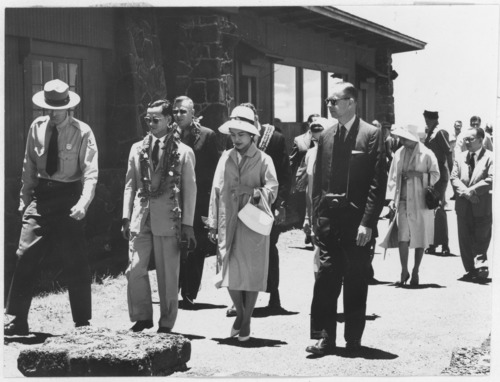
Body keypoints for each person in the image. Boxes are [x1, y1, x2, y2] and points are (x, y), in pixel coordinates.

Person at [4, 79, 98, 335]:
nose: (53, 112)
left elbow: (91, 173)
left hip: (70, 198)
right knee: (25, 254)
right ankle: (17, 319)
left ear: (68, 107)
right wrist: (24, 200)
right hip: (42, 197)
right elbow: (29, 167)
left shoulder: (82, 132)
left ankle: (82, 323)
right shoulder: (36, 127)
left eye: (57, 108)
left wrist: (83, 202)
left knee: (75, 259)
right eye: (49, 107)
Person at [306, 82, 386, 355]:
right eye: (328, 100)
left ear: (351, 102)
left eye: (334, 100)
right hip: (330, 221)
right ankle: (323, 337)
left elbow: (377, 184)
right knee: (326, 276)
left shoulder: (372, 135)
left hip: (357, 224)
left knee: (355, 278)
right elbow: (318, 182)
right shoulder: (326, 136)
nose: (329, 104)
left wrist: (368, 222)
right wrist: (316, 218)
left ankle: (353, 338)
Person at [122, 99, 197, 333]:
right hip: (141, 216)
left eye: (156, 119)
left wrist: (187, 225)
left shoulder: (183, 152)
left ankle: (166, 323)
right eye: (148, 119)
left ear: (168, 120)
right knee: (134, 268)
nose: (151, 123)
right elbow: (129, 185)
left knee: (167, 273)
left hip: (168, 218)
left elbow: (190, 190)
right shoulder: (137, 148)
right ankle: (142, 316)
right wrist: (125, 216)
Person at [207, 105, 278, 341]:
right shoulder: (224, 158)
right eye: (233, 134)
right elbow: (216, 191)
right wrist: (213, 223)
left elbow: (273, 189)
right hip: (228, 221)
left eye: (241, 135)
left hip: (252, 222)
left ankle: (246, 319)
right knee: (229, 272)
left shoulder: (263, 159)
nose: (236, 139)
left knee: (252, 272)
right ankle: (240, 311)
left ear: (252, 135)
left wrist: (252, 191)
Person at [225, 103, 290, 314]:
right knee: (238, 252)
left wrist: (280, 204)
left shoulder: (275, 138)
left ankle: (274, 296)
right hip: (237, 207)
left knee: (269, 250)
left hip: (265, 207)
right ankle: (240, 300)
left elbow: (284, 175)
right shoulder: (233, 145)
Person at [380, 125, 440, 286]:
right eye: (401, 138)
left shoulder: (427, 153)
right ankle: (404, 269)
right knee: (402, 237)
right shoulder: (399, 153)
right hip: (402, 200)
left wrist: (419, 175)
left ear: (412, 137)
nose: (402, 141)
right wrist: (391, 200)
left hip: (420, 201)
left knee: (420, 237)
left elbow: (436, 175)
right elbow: (392, 178)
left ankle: (416, 270)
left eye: (405, 138)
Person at [174, 96, 219, 309]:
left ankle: (189, 292)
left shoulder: (207, 136)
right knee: (173, 244)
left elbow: (215, 170)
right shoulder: (168, 136)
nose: (178, 115)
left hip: (200, 199)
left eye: (183, 111)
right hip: (174, 198)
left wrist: (212, 203)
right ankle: (173, 287)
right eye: (175, 111)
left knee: (196, 245)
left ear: (193, 113)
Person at [450, 127, 493, 282]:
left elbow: (491, 179)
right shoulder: (460, 157)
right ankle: (470, 269)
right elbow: (454, 178)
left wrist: (472, 191)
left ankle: (481, 265)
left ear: (481, 140)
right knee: (465, 238)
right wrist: (467, 193)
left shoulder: (491, 157)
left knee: (482, 235)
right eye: (466, 139)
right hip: (464, 205)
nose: (467, 142)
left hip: (481, 204)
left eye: (471, 139)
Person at [295, 118, 330, 279]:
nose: (317, 141)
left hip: (334, 213)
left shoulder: (341, 156)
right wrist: (307, 218)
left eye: (321, 137)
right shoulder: (310, 154)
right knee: (318, 251)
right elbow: (307, 189)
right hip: (316, 213)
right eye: (315, 138)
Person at [422, 110, 452, 255]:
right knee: (430, 206)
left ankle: (444, 244)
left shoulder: (440, 132)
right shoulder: (430, 132)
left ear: (432, 118)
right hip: (431, 172)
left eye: (427, 118)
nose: (426, 121)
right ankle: (432, 243)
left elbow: (448, 152)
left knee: (438, 206)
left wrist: (452, 173)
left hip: (440, 172)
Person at [289, 113, 321, 242]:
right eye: (313, 123)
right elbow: (292, 161)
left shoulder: (325, 137)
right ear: (308, 124)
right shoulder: (299, 140)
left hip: (318, 175)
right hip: (303, 175)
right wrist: (291, 181)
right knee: (304, 204)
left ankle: (314, 231)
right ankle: (308, 231)